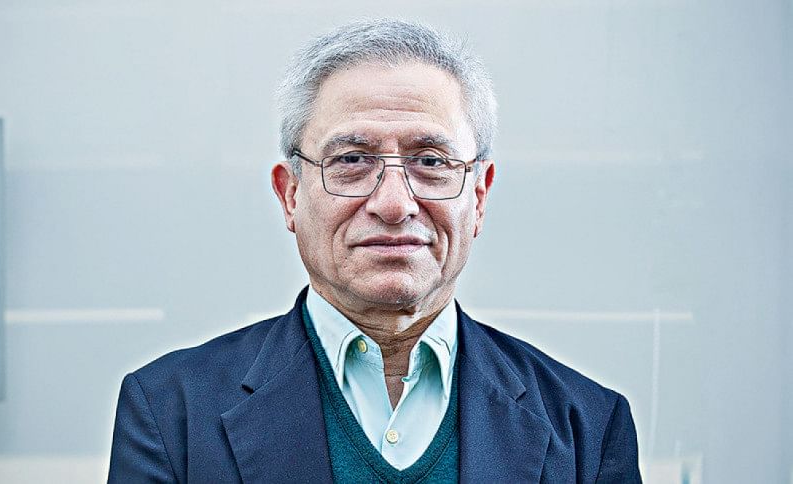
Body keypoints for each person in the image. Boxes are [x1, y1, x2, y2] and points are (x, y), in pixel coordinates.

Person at [108, 19, 641, 483]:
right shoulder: (171, 414)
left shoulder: (588, 428)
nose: (393, 203)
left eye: (430, 162)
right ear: (290, 195)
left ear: (479, 197)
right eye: (352, 160)